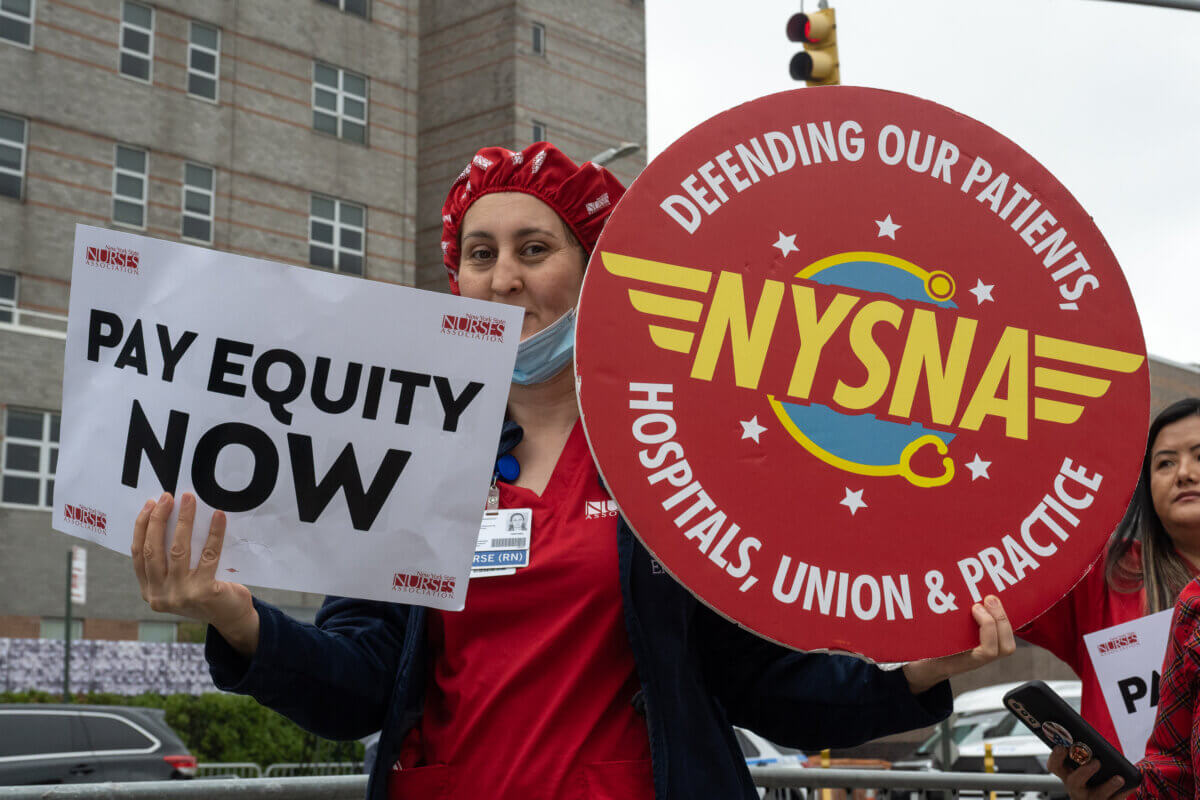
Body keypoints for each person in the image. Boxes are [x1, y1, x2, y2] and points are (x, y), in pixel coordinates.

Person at [131, 142, 1015, 800]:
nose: (503, 279)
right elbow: (361, 680)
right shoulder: (411, 453)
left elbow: (758, 679)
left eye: (534, 249)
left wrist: (914, 673)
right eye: (480, 254)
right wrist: (238, 622)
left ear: (596, 273)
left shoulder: (677, 458)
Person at [1019, 398, 1200, 751]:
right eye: (1165, 463)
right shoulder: (1108, 575)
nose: (1184, 473)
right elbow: (1008, 584)